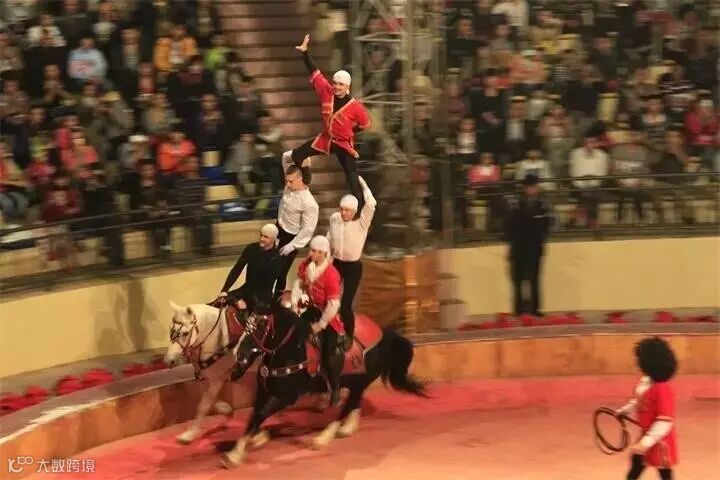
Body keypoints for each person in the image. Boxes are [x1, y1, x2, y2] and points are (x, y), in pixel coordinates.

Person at [284, 33, 371, 216]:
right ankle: (306, 175)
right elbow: (315, 72)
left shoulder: (356, 107)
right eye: (336, 83)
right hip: (326, 139)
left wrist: (350, 131)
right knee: (297, 154)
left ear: (347, 87)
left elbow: (365, 124)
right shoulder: (326, 91)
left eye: (341, 85)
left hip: (344, 144)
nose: (337, 87)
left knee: (351, 177)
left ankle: (360, 211)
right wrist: (305, 52)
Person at [292, 235, 345, 406]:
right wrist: (295, 303)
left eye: (314, 251)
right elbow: (298, 284)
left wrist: (321, 325)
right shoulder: (306, 265)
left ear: (323, 253)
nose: (311, 253)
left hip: (327, 314)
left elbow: (333, 304)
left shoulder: (331, 274)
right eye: (311, 250)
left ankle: (335, 388)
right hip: (312, 309)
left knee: (329, 354)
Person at [615, 337, 678, 480]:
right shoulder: (647, 382)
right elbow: (639, 401)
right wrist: (624, 411)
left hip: (659, 439)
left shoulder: (663, 388)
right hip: (647, 434)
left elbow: (664, 421)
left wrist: (646, 443)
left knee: (663, 472)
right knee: (637, 465)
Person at [327, 176, 376, 342]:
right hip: (336, 264)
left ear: (354, 211)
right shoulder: (334, 219)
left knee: (346, 305)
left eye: (347, 210)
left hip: (353, 267)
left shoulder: (361, 223)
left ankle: (348, 336)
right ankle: (330, 332)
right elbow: (329, 238)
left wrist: (363, 185)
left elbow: (371, 204)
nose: (343, 213)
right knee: (329, 300)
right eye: (341, 209)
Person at [504, 174, 553, 316]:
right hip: (518, 246)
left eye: (533, 186)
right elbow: (509, 225)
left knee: (534, 279)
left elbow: (548, 225)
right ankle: (518, 310)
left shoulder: (543, 205)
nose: (531, 189)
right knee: (517, 280)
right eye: (529, 187)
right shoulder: (516, 204)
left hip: (535, 246)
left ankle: (535, 310)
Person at [275, 163, 319, 294]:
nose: (287, 185)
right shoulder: (289, 187)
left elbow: (307, 229)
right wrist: (304, 159)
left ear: (300, 179)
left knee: (281, 272)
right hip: (278, 228)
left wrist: (291, 246)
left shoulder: (309, 203)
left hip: (291, 237)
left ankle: (277, 298)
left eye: (291, 181)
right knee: (267, 266)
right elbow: (286, 157)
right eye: (286, 181)